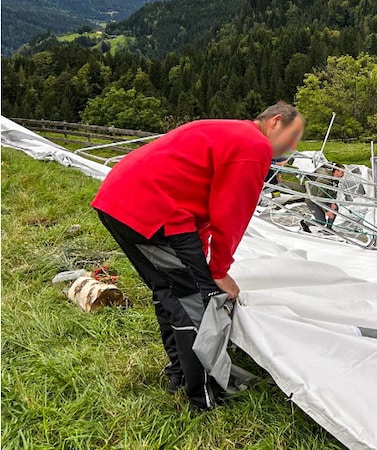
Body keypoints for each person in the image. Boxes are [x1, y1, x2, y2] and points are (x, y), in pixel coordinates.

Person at [92, 102, 304, 411]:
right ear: (274, 122)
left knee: (170, 290)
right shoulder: (254, 146)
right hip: (154, 211)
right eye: (294, 134)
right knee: (197, 302)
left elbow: (199, 206)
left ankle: (178, 373)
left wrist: (204, 262)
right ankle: (203, 396)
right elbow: (231, 213)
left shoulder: (229, 132)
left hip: (121, 201)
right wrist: (218, 270)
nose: (294, 145)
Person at [301, 163, 345, 231]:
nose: (343, 174)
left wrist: (333, 202)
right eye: (342, 172)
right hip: (313, 200)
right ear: (336, 171)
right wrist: (327, 211)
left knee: (335, 208)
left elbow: (334, 192)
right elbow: (320, 198)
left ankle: (328, 229)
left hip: (324, 199)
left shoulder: (335, 179)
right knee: (321, 222)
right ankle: (305, 222)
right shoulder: (325, 180)